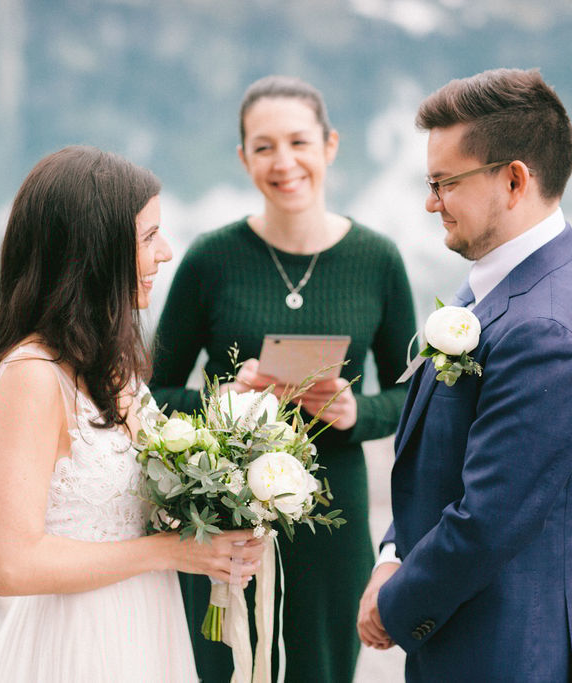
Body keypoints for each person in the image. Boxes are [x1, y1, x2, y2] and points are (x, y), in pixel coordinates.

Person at [357, 69, 572, 682]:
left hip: (505, 652)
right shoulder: (505, 281)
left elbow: (488, 520)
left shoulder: (546, 329)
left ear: (513, 179)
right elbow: (443, 455)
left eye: (444, 183)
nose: (430, 202)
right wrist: (394, 554)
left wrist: (391, 607)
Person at [150, 76, 417, 682]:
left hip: (333, 519)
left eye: (299, 141)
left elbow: (413, 396)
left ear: (330, 145)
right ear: (244, 158)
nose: (284, 162)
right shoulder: (211, 259)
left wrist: (356, 415)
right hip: (221, 517)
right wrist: (223, 403)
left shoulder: (378, 260)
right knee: (219, 668)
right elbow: (150, 394)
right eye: (264, 147)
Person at [0, 145, 262, 683]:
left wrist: (218, 525)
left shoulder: (113, 368)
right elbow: (13, 565)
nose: (167, 253)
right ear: (95, 250)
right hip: (78, 643)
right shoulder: (33, 376)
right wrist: (169, 551)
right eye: (149, 237)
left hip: (148, 626)